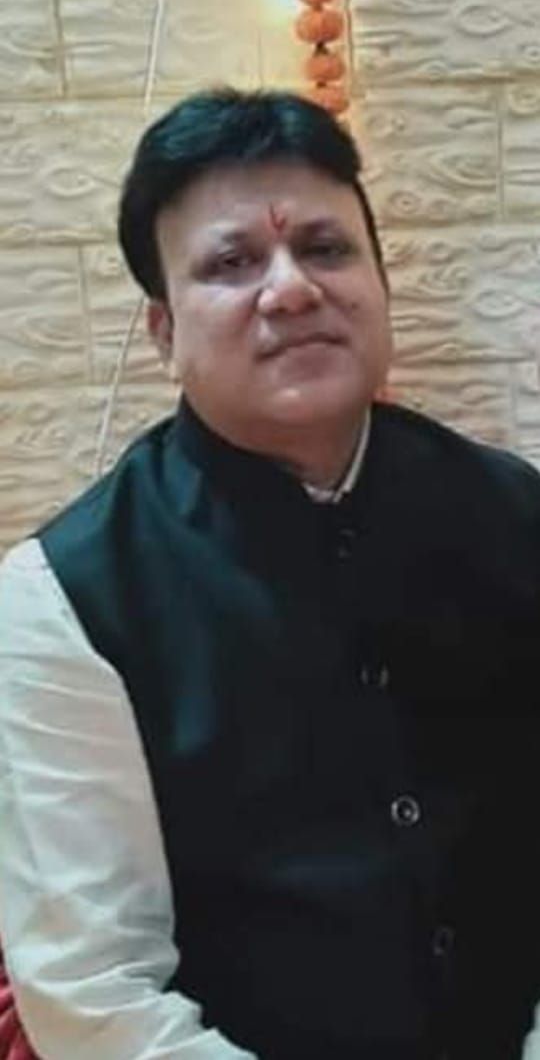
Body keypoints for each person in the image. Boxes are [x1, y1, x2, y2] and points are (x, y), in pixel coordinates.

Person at [0, 88, 539, 1060]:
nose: (290, 291)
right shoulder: (65, 600)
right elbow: (93, 989)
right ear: (162, 331)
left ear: (381, 284)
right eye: (231, 263)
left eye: (326, 249)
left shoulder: (518, 515)